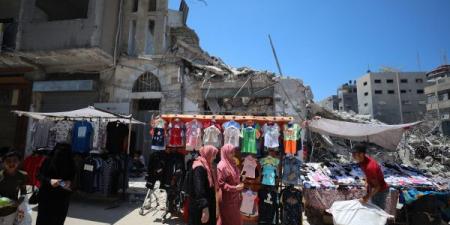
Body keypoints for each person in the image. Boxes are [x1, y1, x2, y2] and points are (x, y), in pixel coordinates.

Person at [36, 143, 75, 225]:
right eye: (60, 149)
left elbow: (75, 181)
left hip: (62, 199)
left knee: (58, 221)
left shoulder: (72, 163)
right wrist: (50, 181)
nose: (61, 153)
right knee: (43, 220)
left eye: (64, 150)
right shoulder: (47, 160)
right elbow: (39, 175)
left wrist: (70, 183)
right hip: (46, 196)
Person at [352, 143, 389, 209]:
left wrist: (366, 197)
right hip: (374, 189)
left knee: (378, 213)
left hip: (380, 191)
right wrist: (367, 181)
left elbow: (377, 187)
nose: (353, 156)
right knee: (373, 210)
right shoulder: (362, 161)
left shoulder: (370, 167)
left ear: (362, 154)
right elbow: (366, 174)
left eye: (355, 154)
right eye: (353, 154)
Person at [189, 145, 219, 225]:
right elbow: (199, 189)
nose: (215, 157)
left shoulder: (207, 166)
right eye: (213, 155)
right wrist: (204, 208)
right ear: (208, 154)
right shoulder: (199, 168)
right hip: (200, 208)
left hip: (207, 204)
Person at [217, 144, 244, 225]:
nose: (233, 154)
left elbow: (235, 176)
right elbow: (221, 183)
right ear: (225, 152)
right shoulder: (222, 166)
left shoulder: (232, 163)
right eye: (231, 152)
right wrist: (235, 188)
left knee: (228, 220)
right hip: (227, 198)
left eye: (233, 152)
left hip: (235, 197)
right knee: (231, 220)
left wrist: (241, 178)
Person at [0, 151, 28, 225]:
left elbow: (23, 192)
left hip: (11, 211)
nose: (12, 163)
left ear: (19, 162)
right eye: (8, 161)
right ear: (3, 163)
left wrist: (18, 202)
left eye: (15, 161)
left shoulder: (22, 176)